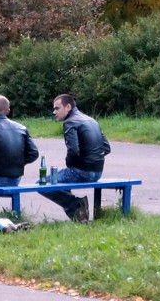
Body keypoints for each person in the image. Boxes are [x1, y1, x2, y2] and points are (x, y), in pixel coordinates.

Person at [43, 94, 111, 223]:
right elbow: (107, 148)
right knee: (61, 180)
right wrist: (92, 159)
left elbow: (73, 151)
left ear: (68, 106)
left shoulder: (70, 122)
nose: (54, 112)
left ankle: (76, 206)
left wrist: (72, 165)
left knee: (42, 184)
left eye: (57, 108)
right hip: (97, 172)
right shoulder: (91, 120)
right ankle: (77, 213)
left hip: (82, 172)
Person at [0, 95, 40, 194]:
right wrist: (17, 163)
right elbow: (34, 153)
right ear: (8, 111)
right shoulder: (21, 128)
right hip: (16, 178)